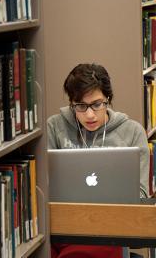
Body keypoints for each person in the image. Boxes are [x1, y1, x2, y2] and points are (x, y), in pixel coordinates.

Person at [47, 63, 150, 258]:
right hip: (63, 226)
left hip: (111, 228)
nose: (90, 114)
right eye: (80, 106)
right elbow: (45, 187)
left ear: (108, 99)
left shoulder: (132, 131)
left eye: (97, 104)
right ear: (71, 103)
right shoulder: (54, 127)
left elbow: (141, 194)